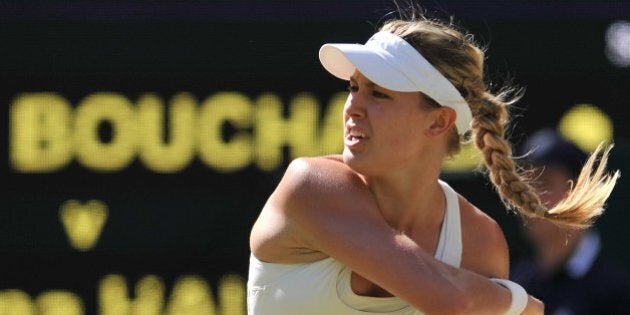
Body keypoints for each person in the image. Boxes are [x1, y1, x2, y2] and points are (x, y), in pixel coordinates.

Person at [247, 9, 619, 315]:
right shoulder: (311, 185)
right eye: (354, 87)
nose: (353, 108)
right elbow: (451, 300)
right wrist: (518, 301)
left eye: (378, 93)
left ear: (439, 121)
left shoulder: (479, 243)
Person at [510, 129, 630, 315]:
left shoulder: (614, 292)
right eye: (524, 184)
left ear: (580, 194)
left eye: (544, 183)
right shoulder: (517, 284)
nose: (528, 197)